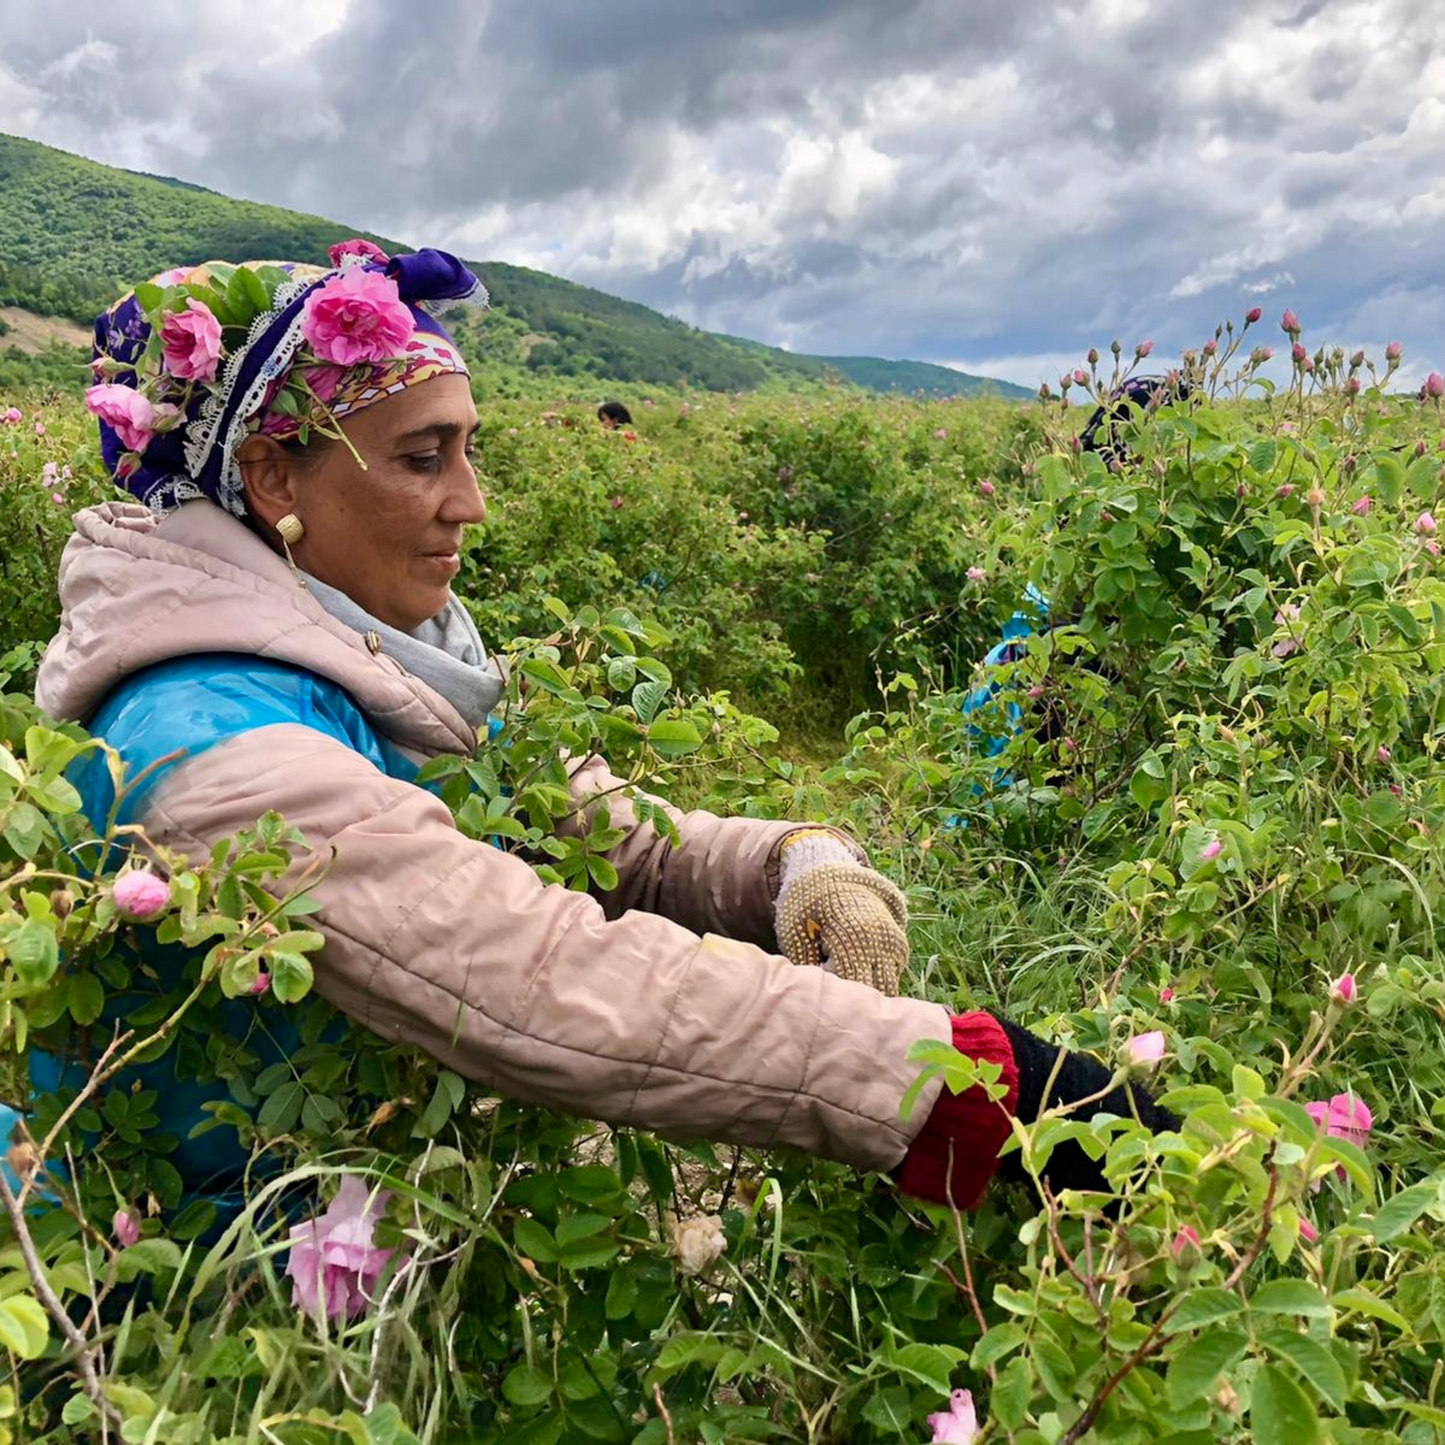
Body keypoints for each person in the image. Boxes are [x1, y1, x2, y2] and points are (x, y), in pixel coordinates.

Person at [24, 241, 1175, 1216]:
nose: (472, 501)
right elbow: (525, 972)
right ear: (273, 478)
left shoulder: (375, 656)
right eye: (424, 458)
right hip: (178, 1306)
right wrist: (970, 1079)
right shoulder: (202, 737)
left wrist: (795, 863)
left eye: (468, 448)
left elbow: (622, 840)